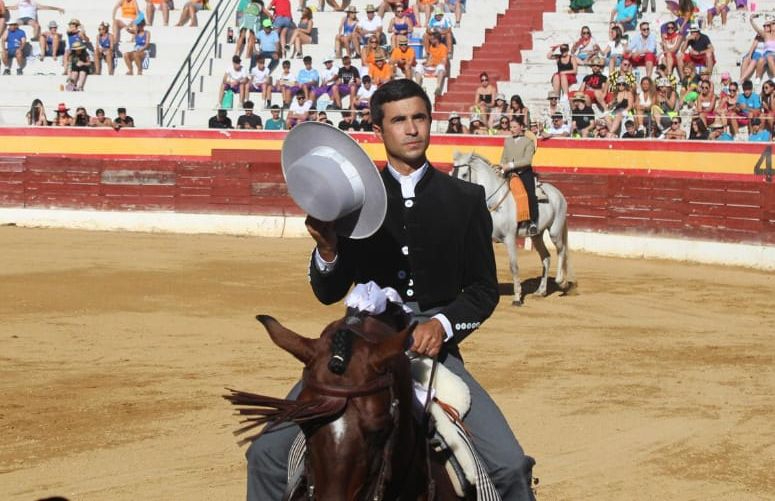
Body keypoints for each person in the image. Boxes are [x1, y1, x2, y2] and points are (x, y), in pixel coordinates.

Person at [246, 77, 536, 501]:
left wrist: (441, 324)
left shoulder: (465, 199)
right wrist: (328, 250)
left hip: (430, 348)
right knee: (266, 456)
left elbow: (481, 290)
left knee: (510, 467)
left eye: (419, 117)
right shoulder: (353, 200)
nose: (412, 129)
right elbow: (328, 292)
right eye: (399, 120)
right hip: (360, 343)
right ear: (379, 131)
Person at [501, 118, 539, 236]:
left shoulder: (529, 142)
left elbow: (527, 161)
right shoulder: (507, 141)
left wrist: (511, 165)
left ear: (521, 127)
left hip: (524, 173)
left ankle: (532, 221)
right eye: (510, 127)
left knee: (529, 194)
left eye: (514, 127)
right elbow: (503, 158)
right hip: (509, 173)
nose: (512, 130)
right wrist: (502, 165)